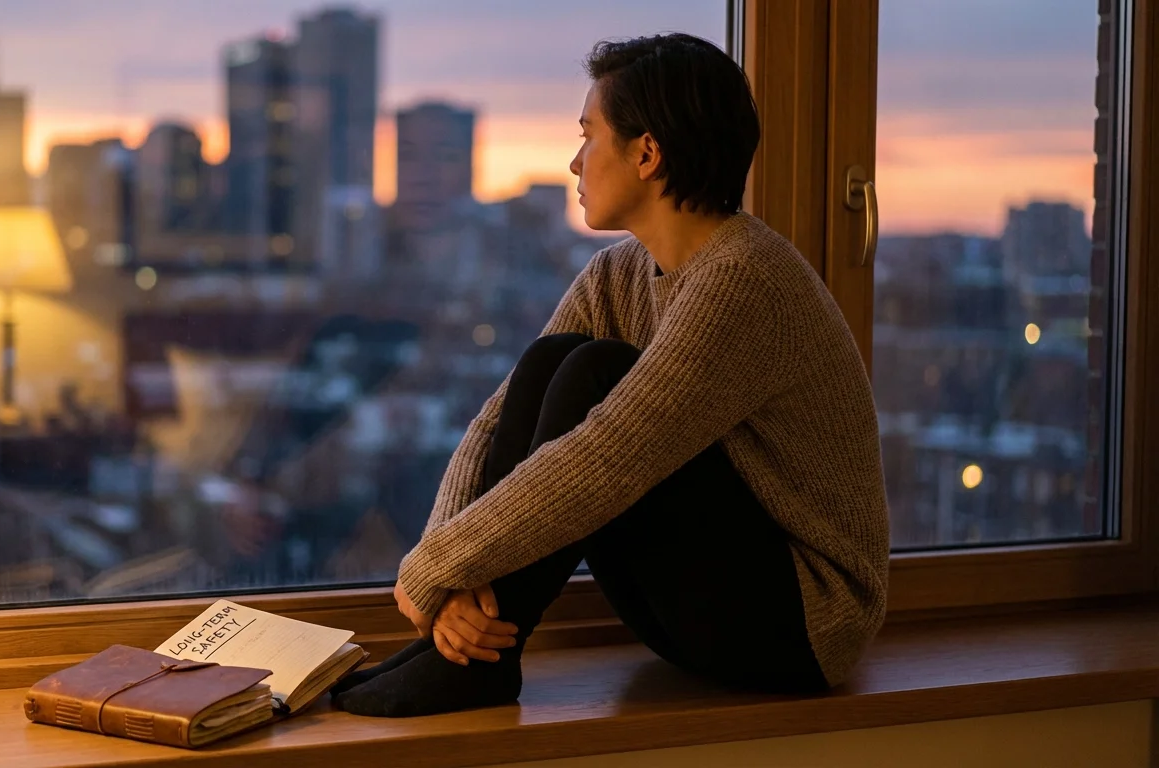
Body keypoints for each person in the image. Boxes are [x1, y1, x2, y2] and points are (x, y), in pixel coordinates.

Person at [331, 33, 890, 718]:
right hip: (694, 610)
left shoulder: (745, 281)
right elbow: (497, 417)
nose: (574, 161)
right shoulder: (617, 274)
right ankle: (463, 656)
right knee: (551, 361)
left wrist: (438, 568)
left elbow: (609, 459)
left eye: (588, 135)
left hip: (799, 626)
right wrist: (445, 578)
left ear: (647, 153)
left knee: (596, 375)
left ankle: (477, 667)